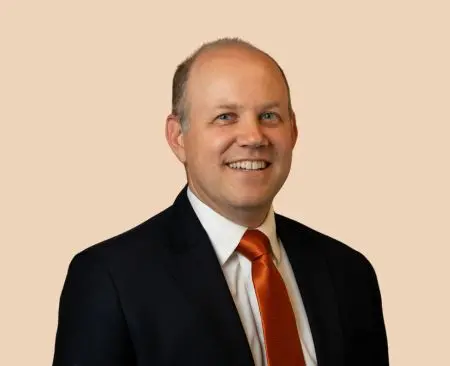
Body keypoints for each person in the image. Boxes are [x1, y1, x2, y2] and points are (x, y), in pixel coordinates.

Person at [52, 37, 389, 366]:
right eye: (226, 116)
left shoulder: (349, 273)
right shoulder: (110, 280)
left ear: (294, 132)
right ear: (178, 136)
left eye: (270, 116)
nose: (254, 137)